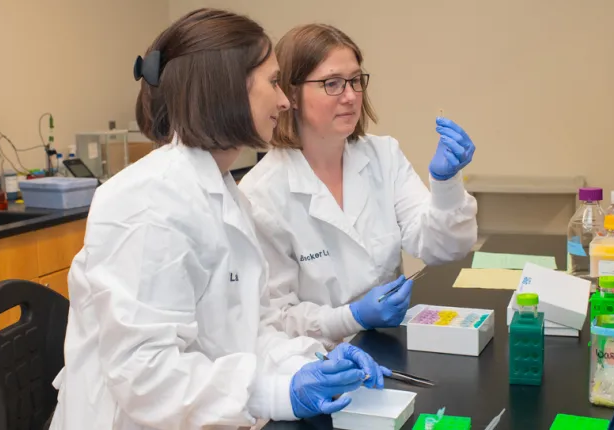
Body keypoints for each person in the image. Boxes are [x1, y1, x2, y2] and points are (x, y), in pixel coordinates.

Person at [48, 10, 389, 430]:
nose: (284, 102)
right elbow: (147, 377)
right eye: (273, 83)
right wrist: (278, 392)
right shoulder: (147, 202)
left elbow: (250, 328)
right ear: (227, 90)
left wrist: (312, 359)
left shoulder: (225, 193)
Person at [239, 24, 478, 348]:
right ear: (291, 95)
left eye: (355, 80)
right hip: (319, 360)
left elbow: (443, 248)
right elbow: (277, 317)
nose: (350, 96)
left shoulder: (383, 155)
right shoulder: (262, 193)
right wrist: (352, 317)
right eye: (332, 83)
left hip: (389, 345)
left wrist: (446, 185)